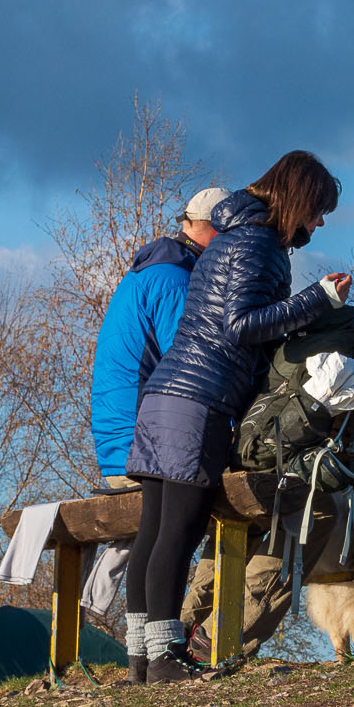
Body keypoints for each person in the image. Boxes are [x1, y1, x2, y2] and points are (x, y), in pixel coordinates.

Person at [124, 151, 349, 684]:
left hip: (164, 396)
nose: (317, 224)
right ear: (299, 198)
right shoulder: (258, 243)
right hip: (197, 401)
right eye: (318, 211)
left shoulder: (232, 235)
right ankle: (164, 659)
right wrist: (318, 300)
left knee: (154, 533)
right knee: (177, 533)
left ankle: (141, 658)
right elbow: (240, 324)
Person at [89, 186, 231, 489]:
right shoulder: (175, 281)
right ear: (219, 232)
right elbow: (191, 367)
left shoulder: (153, 271)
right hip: (142, 451)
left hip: (123, 447)